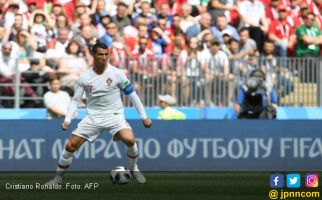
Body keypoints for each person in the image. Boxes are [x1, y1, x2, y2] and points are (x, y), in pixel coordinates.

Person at [45, 42, 152, 185]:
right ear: (93, 54)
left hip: (114, 116)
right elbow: (75, 100)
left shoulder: (118, 73)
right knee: (70, 146)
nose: (104, 57)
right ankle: (57, 179)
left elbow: (132, 96)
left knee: (130, 139)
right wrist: (68, 119)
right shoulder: (84, 77)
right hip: (93, 117)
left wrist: (144, 116)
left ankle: (134, 168)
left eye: (106, 54)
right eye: (100, 54)